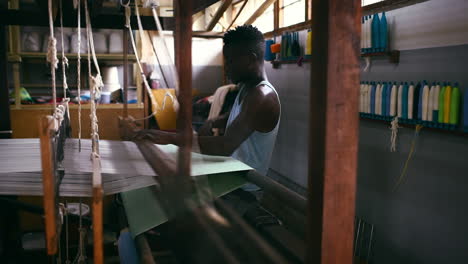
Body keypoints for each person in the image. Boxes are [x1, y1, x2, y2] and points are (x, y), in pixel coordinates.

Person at [136, 25, 280, 190]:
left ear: (249, 60)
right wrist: (213, 122)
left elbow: (224, 146)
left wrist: (169, 138)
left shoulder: (261, 96)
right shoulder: (248, 88)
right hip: (230, 176)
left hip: (242, 187)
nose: (226, 68)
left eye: (230, 61)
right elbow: (241, 118)